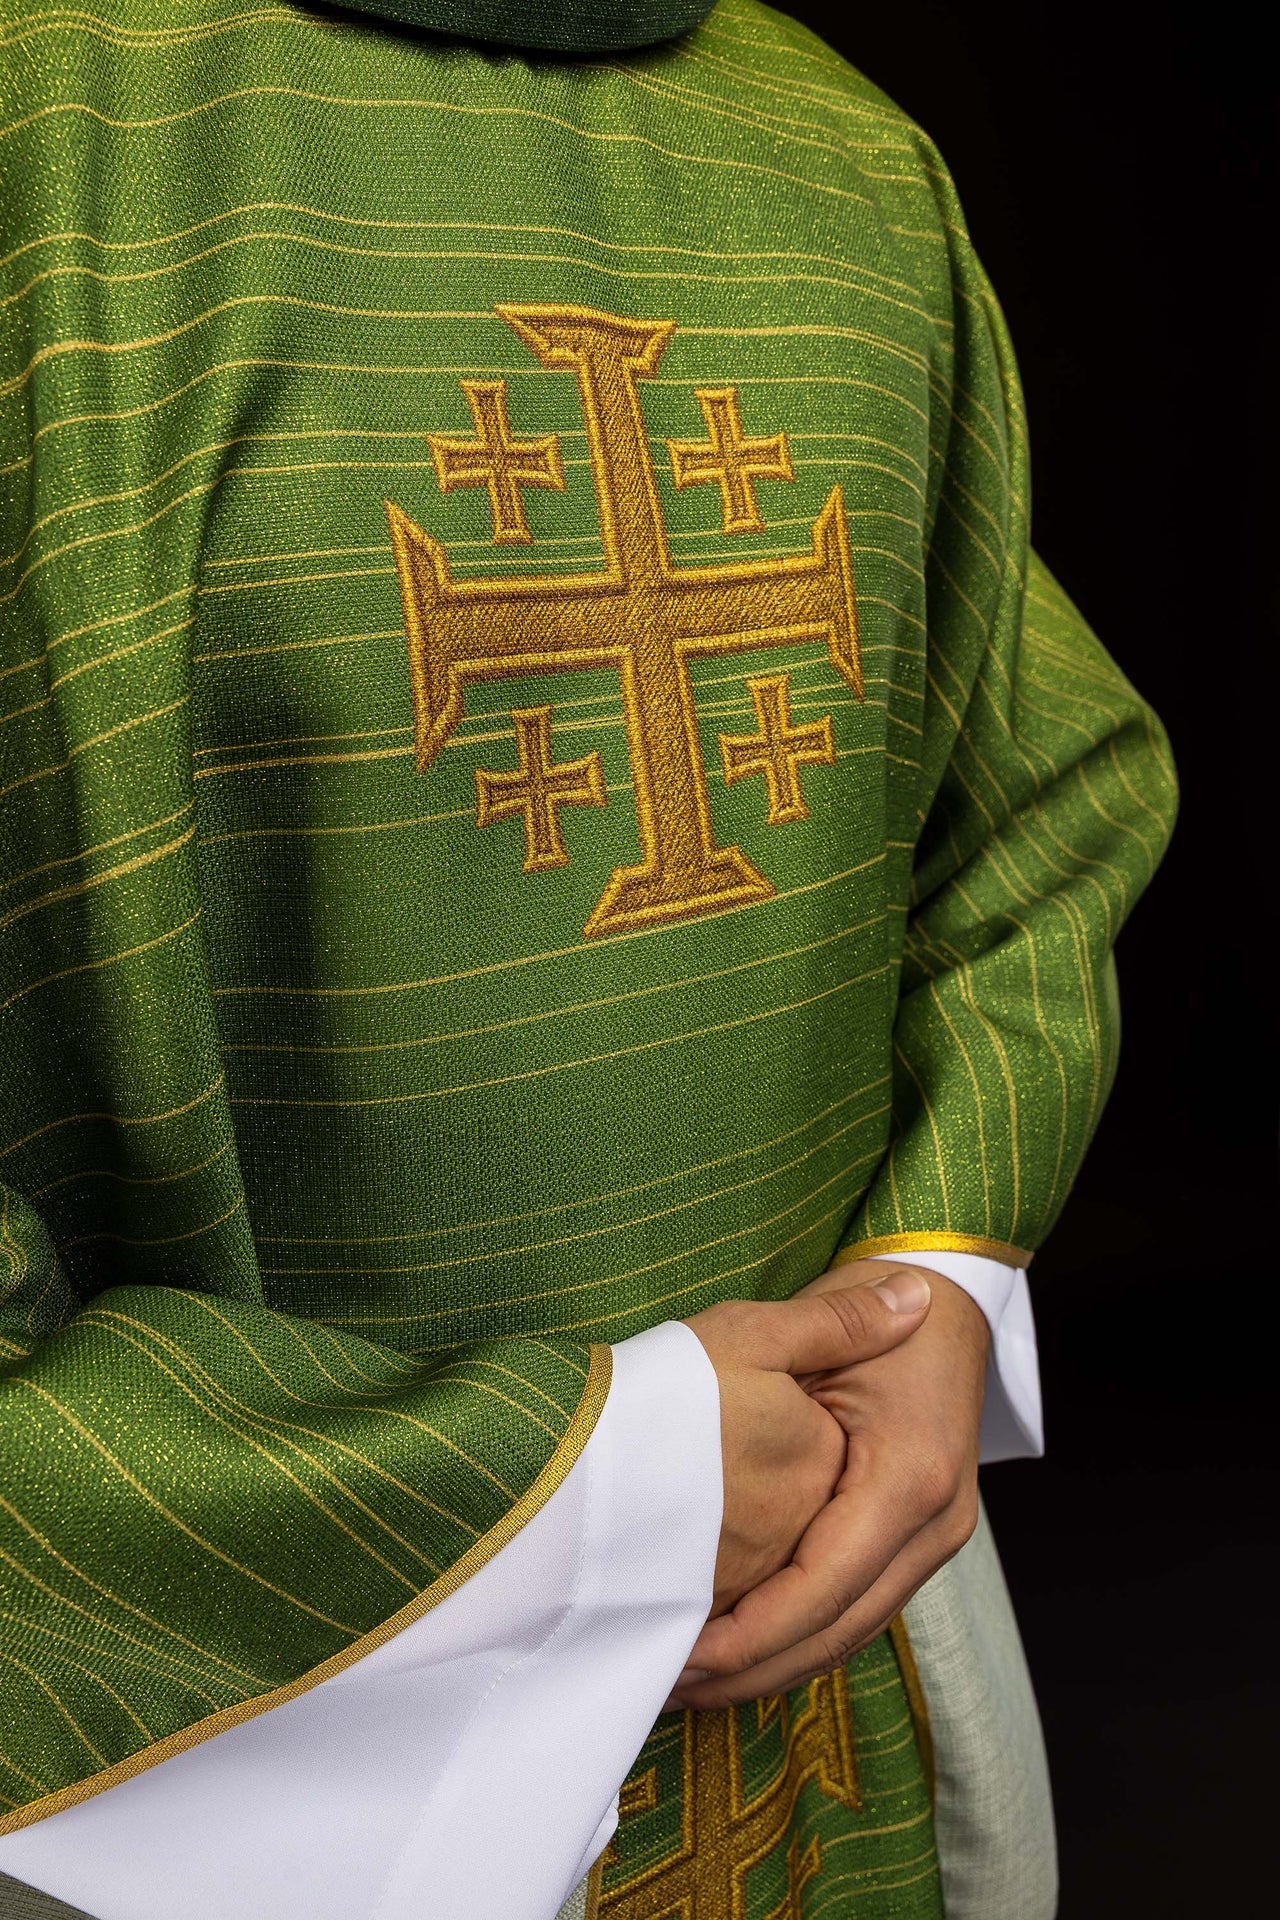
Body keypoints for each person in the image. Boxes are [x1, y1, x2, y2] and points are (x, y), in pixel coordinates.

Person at [0, 2, 1175, 1915]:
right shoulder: (44, 142)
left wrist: (938, 1273)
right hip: (221, 1776)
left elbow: (1036, 787)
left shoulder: (845, 155)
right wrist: (576, 1482)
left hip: (837, 1652)